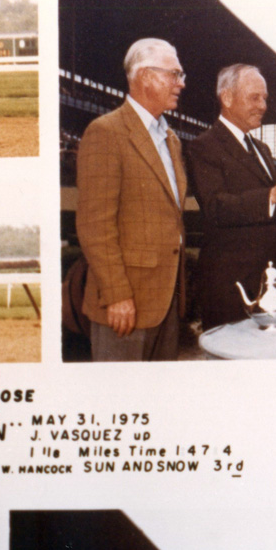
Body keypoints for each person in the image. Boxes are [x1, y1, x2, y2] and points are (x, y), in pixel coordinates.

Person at [75, 38, 188, 361]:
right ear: (145, 77)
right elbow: (95, 226)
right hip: (125, 306)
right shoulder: (106, 133)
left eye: (180, 76)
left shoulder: (171, 139)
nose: (180, 84)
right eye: (174, 75)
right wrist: (117, 295)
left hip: (165, 303)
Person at [185, 63, 276, 330]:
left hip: (272, 284)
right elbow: (216, 207)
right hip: (232, 287)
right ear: (227, 98)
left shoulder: (261, 148)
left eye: (264, 98)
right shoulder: (203, 147)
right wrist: (272, 194)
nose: (263, 106)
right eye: (255, 97)